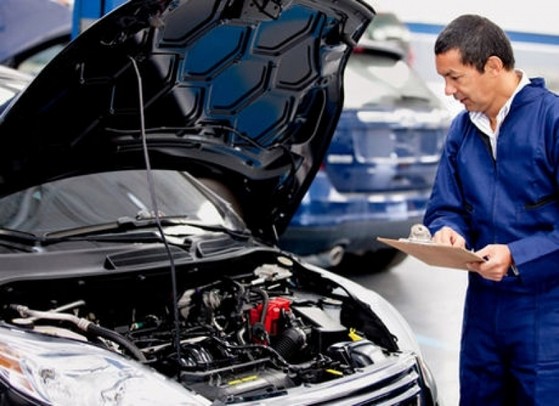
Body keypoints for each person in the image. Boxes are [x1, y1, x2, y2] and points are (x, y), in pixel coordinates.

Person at [423, 14, 559, 406]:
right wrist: (447, 230)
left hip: (545, 310)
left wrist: (517, 255)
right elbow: (445, 204)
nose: (448, 91)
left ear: (493, 67)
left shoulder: (551, 121)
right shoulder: (462, 129)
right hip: (482, 307)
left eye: (455, 77)